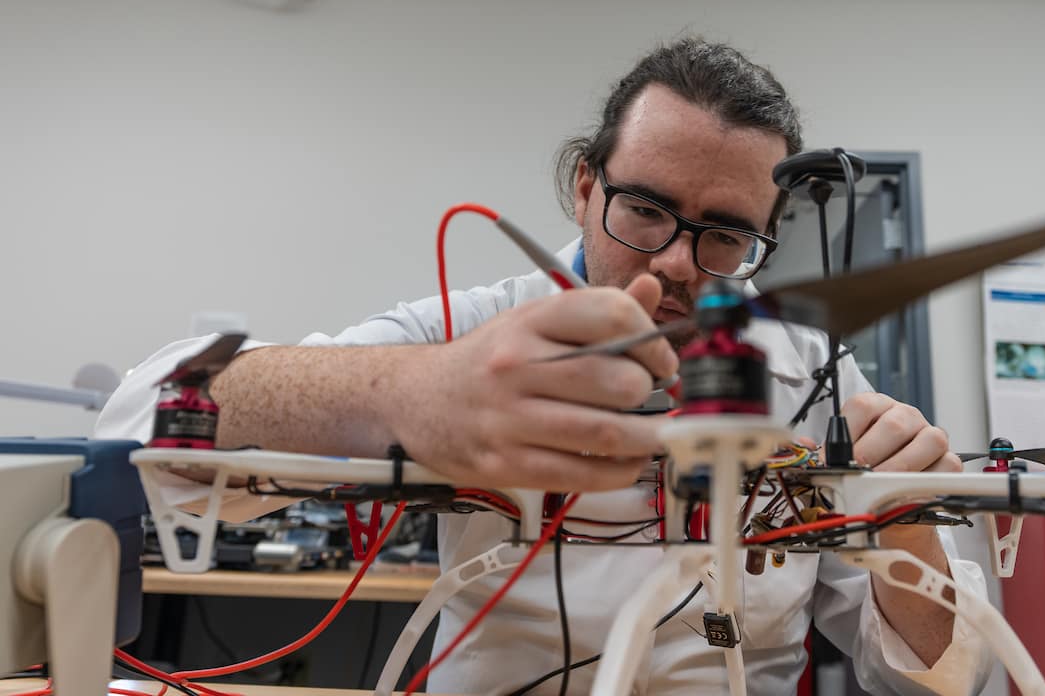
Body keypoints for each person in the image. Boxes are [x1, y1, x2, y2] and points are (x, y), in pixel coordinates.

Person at [97, 37, 991, 695]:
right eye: (646, 209)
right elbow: (141, 417)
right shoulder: (476, 332)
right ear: (585, 186)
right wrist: (416, 391)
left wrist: (905, 529)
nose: (678, 264)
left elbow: (945, 681)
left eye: (724, 234)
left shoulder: (811, 382)